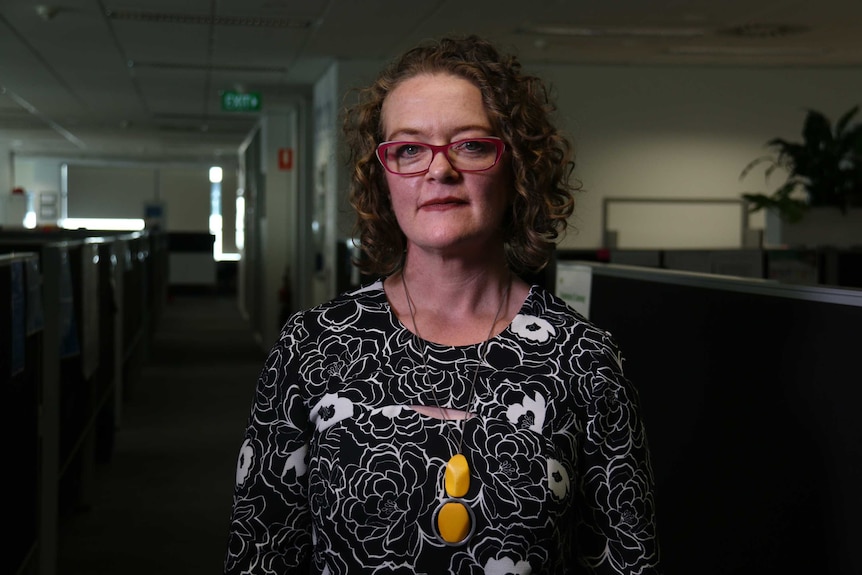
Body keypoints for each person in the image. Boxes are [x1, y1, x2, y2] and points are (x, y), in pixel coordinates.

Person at [224, 35, 661, 574]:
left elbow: (627, 561)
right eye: (408, 149)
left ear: (515, 165)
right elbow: (260, 557)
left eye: (470, 145)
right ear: (382, 177)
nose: (438, 170)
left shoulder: (583, 358)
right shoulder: (313, 346)